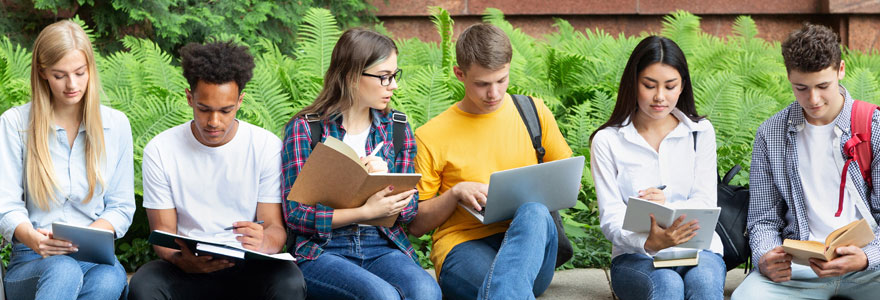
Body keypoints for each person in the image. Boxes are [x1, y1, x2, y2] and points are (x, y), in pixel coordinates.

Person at [127, 41, 305, 300]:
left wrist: (263, 241)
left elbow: (276, 229)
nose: (214, 122)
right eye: (204, 109)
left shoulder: (266, 146)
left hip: (248, 266)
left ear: (240, 101)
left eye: (225, 110)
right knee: (145, 283)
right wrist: (181, 260)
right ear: (190, 98)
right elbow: (163, 234)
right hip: (187, 266)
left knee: (289, 280)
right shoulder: (161, 150)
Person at [407, 23, 572, 300]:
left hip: (530, 246)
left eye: (501, 80)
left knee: (534, 210)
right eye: (482, 84)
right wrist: (456, 194)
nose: (493, 93)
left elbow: (566, 184)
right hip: (463, 245)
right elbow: (416, 225)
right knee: (504, 289)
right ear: (459, 74)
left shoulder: (533, 113)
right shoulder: (431, 135)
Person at [281, 28, 441, 300]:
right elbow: (296, 215)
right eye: (384, 77)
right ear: (352, 77)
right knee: (382, 296)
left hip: (382, 245)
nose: (394, 85)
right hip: (324, 250)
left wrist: (387, 180)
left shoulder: (396, 128)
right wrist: (364, 212)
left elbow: (409, 211)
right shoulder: (307, 129)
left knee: (426, 290)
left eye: (394, 75)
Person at [731, 23, 880, 299]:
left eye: (823, 86)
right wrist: (766, 257)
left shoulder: (874, 126)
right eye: (801, 88)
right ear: (789, 77)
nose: (813, 99)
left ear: (841, 70)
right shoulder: (770, 134)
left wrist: (866, 257)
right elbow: (763, 219)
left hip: (870, 267)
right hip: (800, 270)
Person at [0, 20, 134, 300]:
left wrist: (87, 238)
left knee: (110, 278)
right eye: (60, 75)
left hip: (93, 256)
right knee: (63, 270)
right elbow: (5, 205)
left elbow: (121, 207)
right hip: (33, 258)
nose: (72, 85)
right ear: (42, 72)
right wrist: (33, 238)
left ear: (90, 69)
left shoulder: (116, 125)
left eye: (80, 73)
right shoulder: (15, 123)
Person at [589, 36, 726, 300]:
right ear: (633, 83)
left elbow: (706, 200)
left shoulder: (699, 132)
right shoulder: (608, 140)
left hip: (699, 250)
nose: (660, 97)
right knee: (667, 284)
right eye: (649, 85)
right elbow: (611, 217)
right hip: (636, 257)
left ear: (682, 86)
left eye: (670, 86)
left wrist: (666, 207)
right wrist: (649, 242)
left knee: (705, 283)